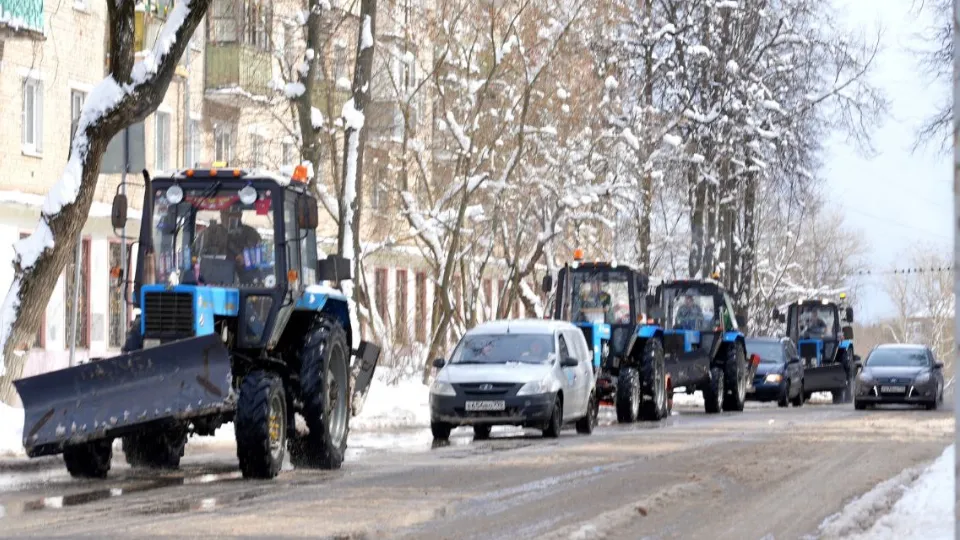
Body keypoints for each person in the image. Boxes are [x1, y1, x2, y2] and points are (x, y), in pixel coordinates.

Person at [194, 205, 262, 284]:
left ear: (240, 215)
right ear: (221, 214)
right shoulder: (208, 233)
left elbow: (258, 256)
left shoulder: (250, 233)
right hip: (213, 280)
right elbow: (195, 255)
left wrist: (246, 258)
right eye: (225, 213)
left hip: (244, 280)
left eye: (233, 213)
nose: (228, 217)